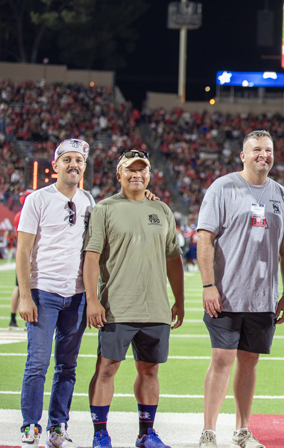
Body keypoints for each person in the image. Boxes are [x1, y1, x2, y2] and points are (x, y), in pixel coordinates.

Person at [197, 131, 284, 448]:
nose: (263, 155)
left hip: (263, 298)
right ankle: (209, 431)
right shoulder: (223, 187)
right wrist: (208, 285)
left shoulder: (281, 194)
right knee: (222, 359)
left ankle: (242, 430)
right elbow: (204, 238)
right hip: (225, 294)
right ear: (243, 155)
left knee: (249, 362)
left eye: (268, 150)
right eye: (256, 150)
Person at [84, 150, 184, 448]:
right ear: (119, 174)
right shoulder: (105, 208)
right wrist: (92, 300)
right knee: (107, 368)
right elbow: (91, 257)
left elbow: (173, 259)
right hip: (117, 305)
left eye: (142, 169)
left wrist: (178, 299)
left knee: (150, 370)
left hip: (155, 306)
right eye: (130, 169)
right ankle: (100, 433)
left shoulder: (163, 210)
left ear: (150, 175)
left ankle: (146, 433)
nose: (136, 174)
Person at [16, 139, 94, 448]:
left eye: (79, 159)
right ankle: (30, 425)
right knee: (37, 363)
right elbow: (23, 252)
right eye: (68, 159)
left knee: (68, 365)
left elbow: (92, 251)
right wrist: (24, 295)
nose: (74, 164)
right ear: (55, 165)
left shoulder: (90, 201)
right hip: (43, 291)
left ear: (84, 167)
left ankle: (57, 425)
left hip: (76, 296)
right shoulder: (37, 199)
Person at [11, 190, 33, 330]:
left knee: (18, 287)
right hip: (29, 254)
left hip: (20, 252)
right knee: (30, 288)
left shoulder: (17, 216)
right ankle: (28, 321)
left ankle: (12, 320)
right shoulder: (28, 214)